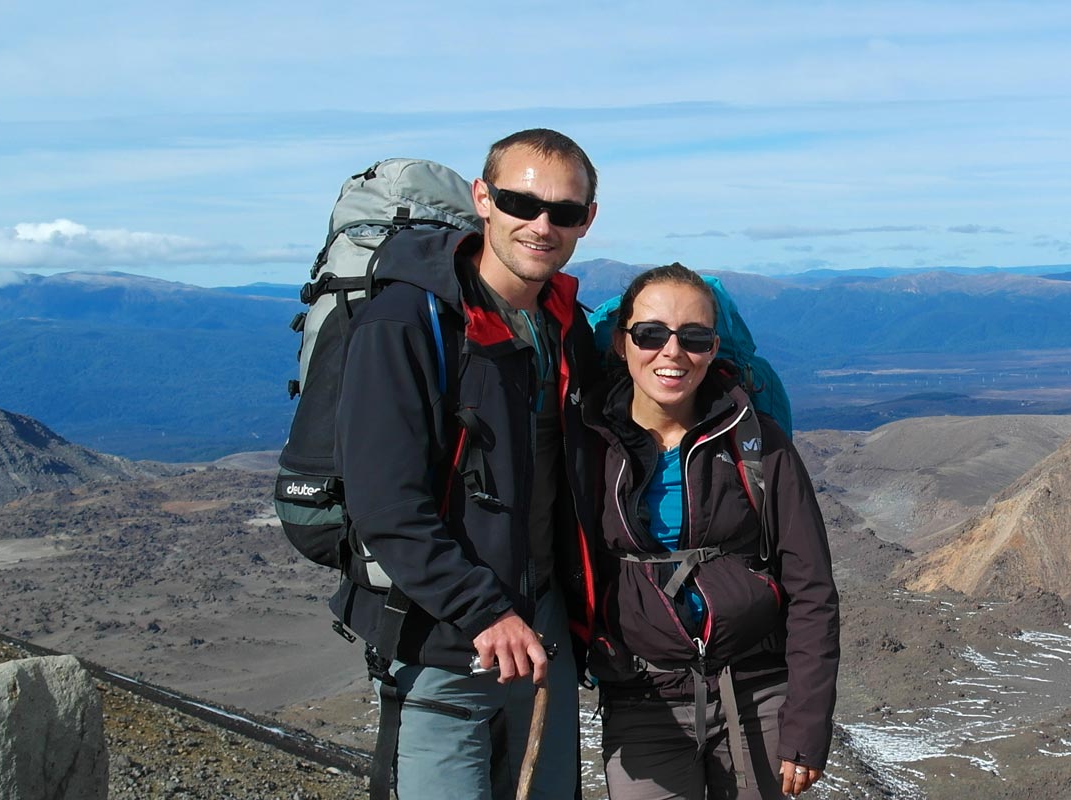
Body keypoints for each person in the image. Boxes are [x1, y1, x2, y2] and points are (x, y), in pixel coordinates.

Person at [333, 128, 600, 799]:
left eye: (564, 212)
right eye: (520, 202)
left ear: (586, 221)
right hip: (443, 646)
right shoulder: (407, 321)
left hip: (541, 640)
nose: (542, 225)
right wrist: (484, 612)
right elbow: (385, 505)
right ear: (483, 198)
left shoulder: (567, 327)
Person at [571, 264, 841, 799]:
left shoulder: (758, 445)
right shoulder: (587, 447)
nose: (672, 352)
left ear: (714, 348)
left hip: (758, 696)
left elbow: (812, 589)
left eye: (693, 338)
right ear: (622, 344)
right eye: (650, 334)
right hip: (642, 701)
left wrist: (807, 724)